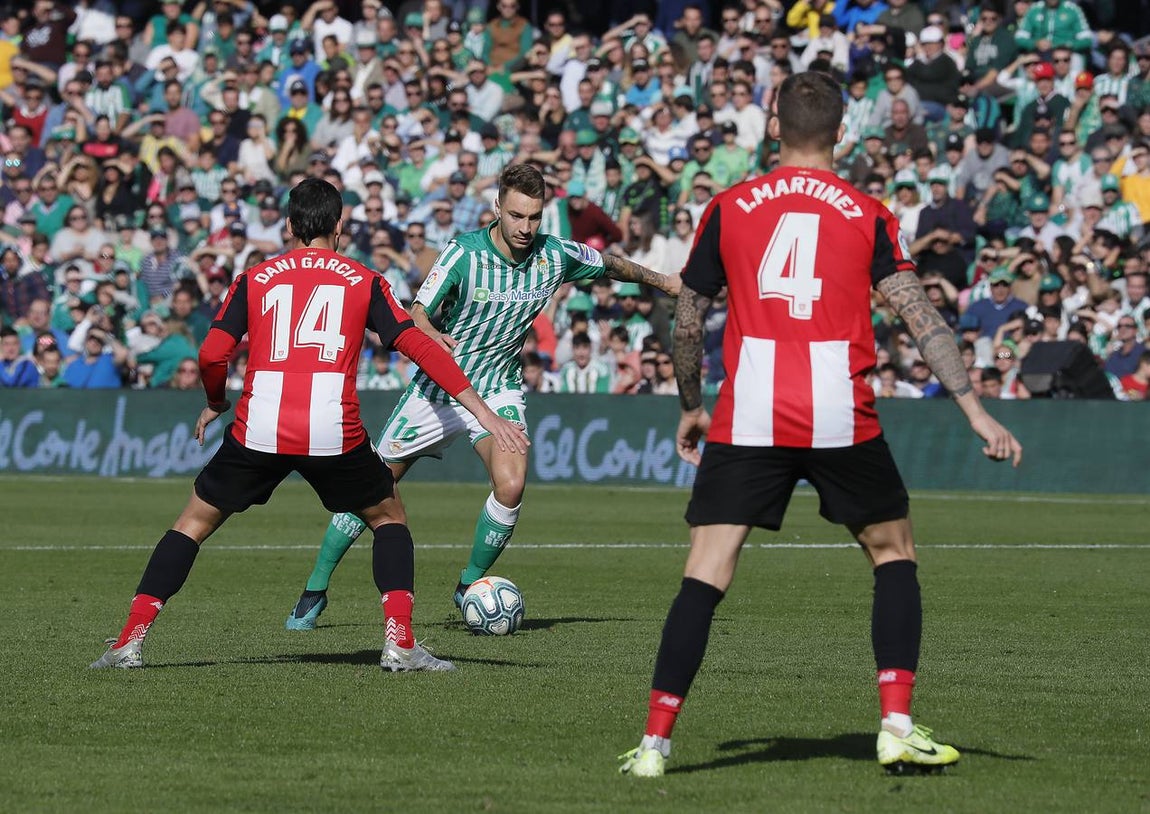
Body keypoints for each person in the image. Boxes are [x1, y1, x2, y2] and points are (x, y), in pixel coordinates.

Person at [618, 72, 1023, 779]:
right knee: (893, 553)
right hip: (839, 406)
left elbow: (688, 322)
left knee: (705, 571)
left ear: (774, 128)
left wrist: (690, 404)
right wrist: (975, 409)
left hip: (749, 412)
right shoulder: (866, 212)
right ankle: (896, 725)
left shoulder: (729, 206)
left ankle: (655, 745)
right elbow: (920, 318)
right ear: (840, 134)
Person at [90, 178, 528, 673]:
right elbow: (419, 346)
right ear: (340, 225)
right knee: (388, 520)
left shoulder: (255, 277)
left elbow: (213, 352)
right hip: (330, 429)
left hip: (258, 426)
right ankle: (400, 643)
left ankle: (129, 641)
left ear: (290, 225)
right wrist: (483, 411)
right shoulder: (364, 279)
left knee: (191, 524)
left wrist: (216, 400)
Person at [284, 163, 680, 629]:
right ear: (497, 208)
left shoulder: (554, 255)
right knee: (372, 488)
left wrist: (667, 282)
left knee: (511, 485)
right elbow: (416, 312)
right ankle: (314, 590)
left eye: (534, 218)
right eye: (516, 216)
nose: (525, 228)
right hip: (438, 387)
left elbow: (611, 264)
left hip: (497, 388)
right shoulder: (463, 253)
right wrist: (433, 334)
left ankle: (468, 584)